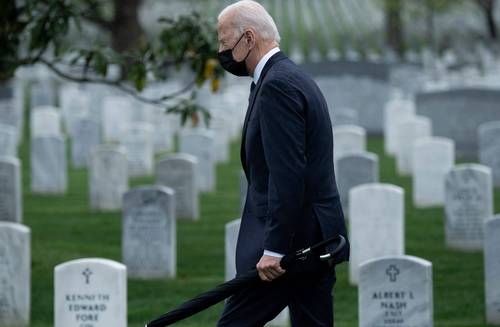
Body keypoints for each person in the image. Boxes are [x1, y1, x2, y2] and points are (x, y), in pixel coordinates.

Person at [216, 1, 349, 326]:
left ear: (248, 38)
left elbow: (287, 174)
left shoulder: (277, 85)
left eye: (223, 41)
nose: (220, 50)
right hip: (313, 239)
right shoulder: (290, 77)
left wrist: (274, 249)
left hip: (291, 248)